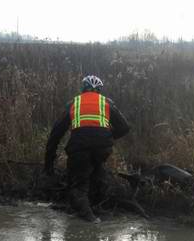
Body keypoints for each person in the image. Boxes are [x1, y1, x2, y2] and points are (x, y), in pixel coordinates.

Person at [44, 75, 130, 222]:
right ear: (99, 91)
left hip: (79, 148)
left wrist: (49, 163)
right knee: (96, 174)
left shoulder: (73, 103)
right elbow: (124, 127)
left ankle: (89, 219)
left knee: (78, 185)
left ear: (83, 89)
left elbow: (56, 134)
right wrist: (109, 137)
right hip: (102, 148)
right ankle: (96, 206)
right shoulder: (106, 102)